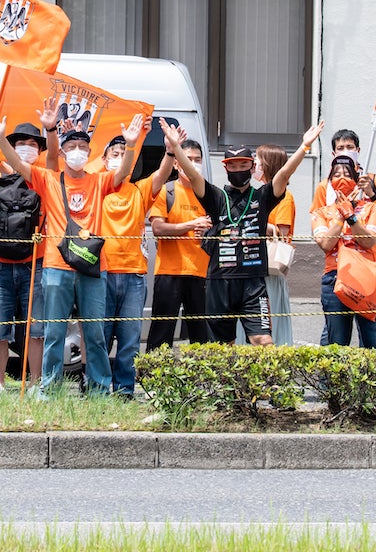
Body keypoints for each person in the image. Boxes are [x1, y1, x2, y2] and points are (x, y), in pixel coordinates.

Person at [0, 108, 144, 397]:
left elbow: (122, 172)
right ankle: (49, 389)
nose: (77, 151)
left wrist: (130, 145)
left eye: (82, 147)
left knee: (94, 333)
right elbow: (17, 164)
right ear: (63, 152)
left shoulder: (99, 180)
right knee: (54, 332)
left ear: (89, 153)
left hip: (93, 267)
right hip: (57, 266)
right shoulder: (48, 179)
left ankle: (98, 391)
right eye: (72, 147)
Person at [169, 121, 324, 345]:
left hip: (253, 283)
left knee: (263, 340)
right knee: (223, 347)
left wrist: (304, 146)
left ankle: (267, 371)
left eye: (243, 165)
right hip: (220, 281)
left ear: (252, 168)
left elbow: (283, 174)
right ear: (226, 169)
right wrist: (175, 148)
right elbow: (193, 176)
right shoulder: (217, 197)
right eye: (233, 166)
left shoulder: (262, 197)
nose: (238, 170)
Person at [0, 114, 57, 404]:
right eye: (21, 144)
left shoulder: (43, 177)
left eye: (33, 144)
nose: (27, 148)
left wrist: (51, 128)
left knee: (36, 330)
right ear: (12, 148)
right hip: (1, 265)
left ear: (39, 150)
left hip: (35, 265)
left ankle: (36, 385)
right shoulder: (0, 180)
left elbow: (54, 156)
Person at [98, 122, 175, 397]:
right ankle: (96, 389)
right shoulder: (98, 187)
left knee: (130, 340)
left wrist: (171, 151)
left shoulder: (140, 190)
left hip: (134, 275)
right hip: (102, 274)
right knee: (99, 338)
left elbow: (162, 174)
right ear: (104, 160)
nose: (120, 159)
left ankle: (124, 391)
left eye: (125, 154)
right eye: (115, 154)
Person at [310, 128, 376, 346]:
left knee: (374, 338)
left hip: (367, 265)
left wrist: (371, 195)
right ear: (333, 153)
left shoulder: (375, 181)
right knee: (334, 338)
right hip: (336, 267)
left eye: (350, 147)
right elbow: (322, 229)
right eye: (340, 148)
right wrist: (340, 214)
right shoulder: (324, 187)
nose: (346, 151)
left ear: (358, 150)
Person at [147, 138, 213, 350]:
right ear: (176, 163)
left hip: (201, 272)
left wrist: (209, 230)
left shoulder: (208, 194)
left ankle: (201, 372)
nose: (193, 163)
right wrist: (191, 224)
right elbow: (158, 228)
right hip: (169, 272)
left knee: (201, 337)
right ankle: (155, 371)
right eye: (188, 158)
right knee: (161, 334)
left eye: (197, 159)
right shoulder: (166, 191)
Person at [235, 144, 296, 346]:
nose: (255, 164)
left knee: (269, 323)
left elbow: (282, 234)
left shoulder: (284, 197)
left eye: (258, 160)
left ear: (269, 164)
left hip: (269, 270)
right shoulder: (257, 193)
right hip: (252, 267)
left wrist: (260, 224)